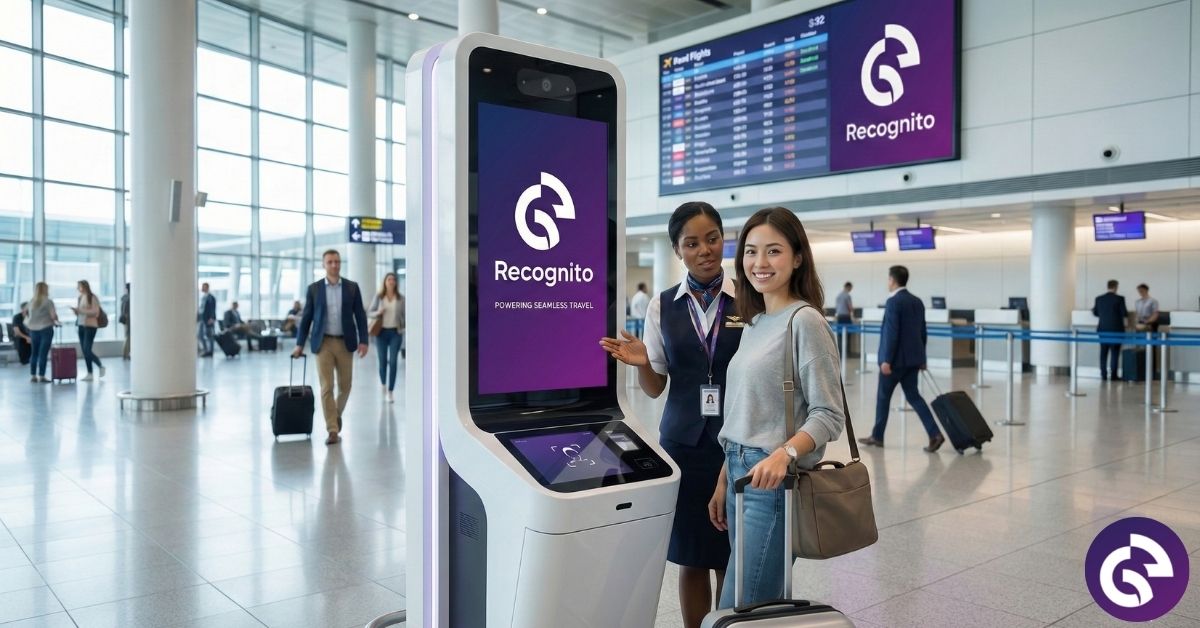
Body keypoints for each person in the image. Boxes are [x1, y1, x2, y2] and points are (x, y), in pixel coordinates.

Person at [600, 202, 741, 628]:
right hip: (685, 445)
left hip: (738, 440)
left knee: (731, 555)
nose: (705, 250)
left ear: (723, 238)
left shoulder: (749, 299)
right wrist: (644, 362)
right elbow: (656, 387)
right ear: (677, 250)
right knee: (692, 556)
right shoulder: (663, 306)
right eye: (692, 243)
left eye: (712, 239)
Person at [708, 207, 846, 609]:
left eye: (773, 251)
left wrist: (784, 453)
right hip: (738, 472)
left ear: (797, 257)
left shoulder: (804, 321)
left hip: (773, 482)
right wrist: (723, 477)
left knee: (739, 607)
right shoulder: (754, 323)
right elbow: (745, 413)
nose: (759, 263)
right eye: (751, 252)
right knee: (753, 606)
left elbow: (828, 413)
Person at [858, 266, 944, 452]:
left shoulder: (893, 302)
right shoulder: (917, 302)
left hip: (895, 362)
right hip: (913, 360)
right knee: (914, 396)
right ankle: (935, 433)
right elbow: (922, 331)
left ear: (892, 280)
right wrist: (922, 358)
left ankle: (878, 436)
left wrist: (886, 360)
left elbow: (892, 333)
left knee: (883, 397)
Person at [292, 249, 369, 445]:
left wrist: (364, 340)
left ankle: (335, 414)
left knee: (346, 386)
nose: (334, 265)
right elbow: (306, 318)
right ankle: (332, 430)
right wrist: (299, 344)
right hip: (323, 342)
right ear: (323, 265)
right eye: (330, 262)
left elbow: (360, 315)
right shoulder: (314, 289)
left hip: (345, 342)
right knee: (327, 387)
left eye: (337, 261)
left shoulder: (351, 288)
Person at [368, 273, 406, 403]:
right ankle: (383, 383)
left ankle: (390, 391)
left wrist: (405, 327)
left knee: (394, 362)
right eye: (389, 279)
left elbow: (405, 315)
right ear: (385, 282)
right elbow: (370, 312)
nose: (391, 281)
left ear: (396, 283)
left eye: (393, 280)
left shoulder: (401, 298)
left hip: (395, 333)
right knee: (383, 361)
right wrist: (378, 312)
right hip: (381, 333)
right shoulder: (379, 297)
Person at [1093, 279, 1128, 381]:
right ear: (1116, 287)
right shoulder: (1120, 299)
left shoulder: (1099, 298)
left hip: (1102, 329)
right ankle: (1113, 376)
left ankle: (1103, 375)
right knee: (1115, 353)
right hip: (1116, 330)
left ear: (1107, 286)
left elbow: (1096, 313)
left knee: (1103, 353)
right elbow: (1124, 313)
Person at [70, 280, 104, 381]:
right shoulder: (80, 297)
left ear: (84, 286)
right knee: (85, 351)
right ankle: (90, 373)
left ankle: (100, 366)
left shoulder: (92, 297)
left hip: (90, 326)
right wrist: (76, 312)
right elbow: (81, 312)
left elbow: (95, 312)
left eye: (79, 286)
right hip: (81, 325)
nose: (77, 288)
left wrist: (81, 311)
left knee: (87, 349)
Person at [26, 282, 59, 383]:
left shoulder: (31, 301)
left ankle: (33, 375)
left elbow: (26, 314)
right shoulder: (48, 301)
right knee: (43, 354)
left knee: (34, 353)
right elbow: (53, 316)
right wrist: (56, 319)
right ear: (45, 289)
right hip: (45, 329)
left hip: (33, 330)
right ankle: (41, 375)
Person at [197, 282, 216, 357]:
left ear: (207, 287)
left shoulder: (211, 297)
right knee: (200, 335)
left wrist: (212, 318)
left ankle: (210, 351)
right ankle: (206, 350)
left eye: (203, 287)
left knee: (210, 336)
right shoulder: (203, 297)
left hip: (208, 319)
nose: (202, 288)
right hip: (202, 319)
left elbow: (213, 309)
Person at [119, 283, 130, 360]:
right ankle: (125, 354)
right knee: (128, 336)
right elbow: (126, 311)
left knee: (127, 336)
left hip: (125, 320)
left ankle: (126, 354)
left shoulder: (124, 297)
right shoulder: (129, 298)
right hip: (128, 320)